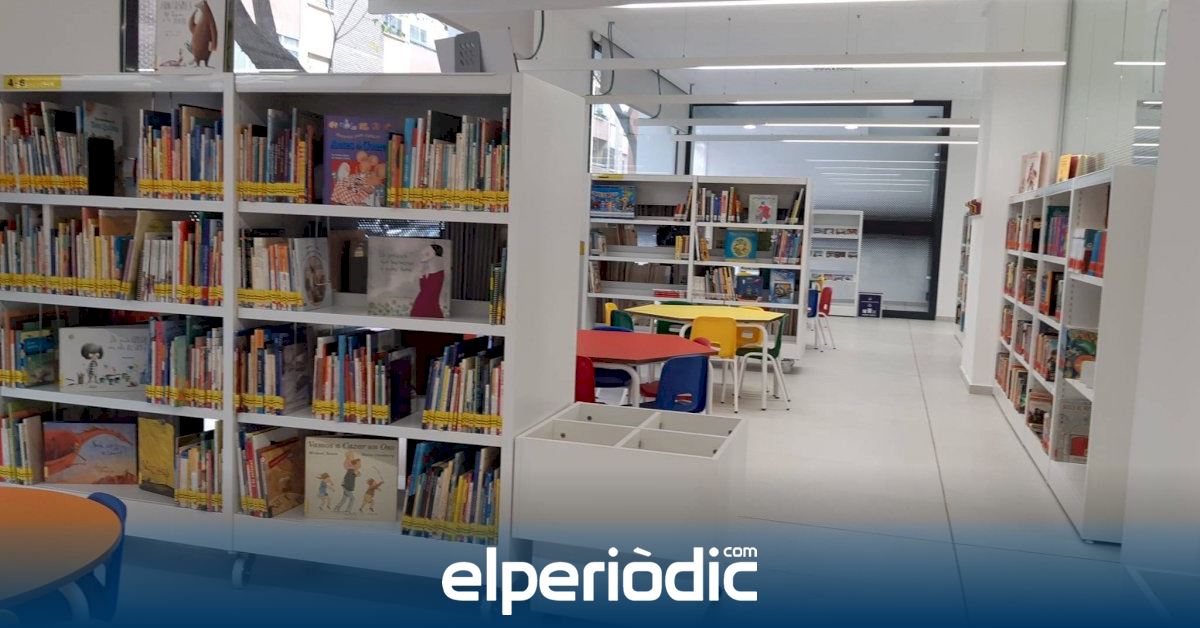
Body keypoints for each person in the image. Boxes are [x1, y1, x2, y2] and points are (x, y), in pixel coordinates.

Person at [410, 244, 447, 318]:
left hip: (426, 306)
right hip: (422, 306)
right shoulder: (433, 272)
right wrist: (422, 273)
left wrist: (422, 273)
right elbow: (424, 289)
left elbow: (428, 291)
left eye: (427, 253)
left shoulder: (437, 272)